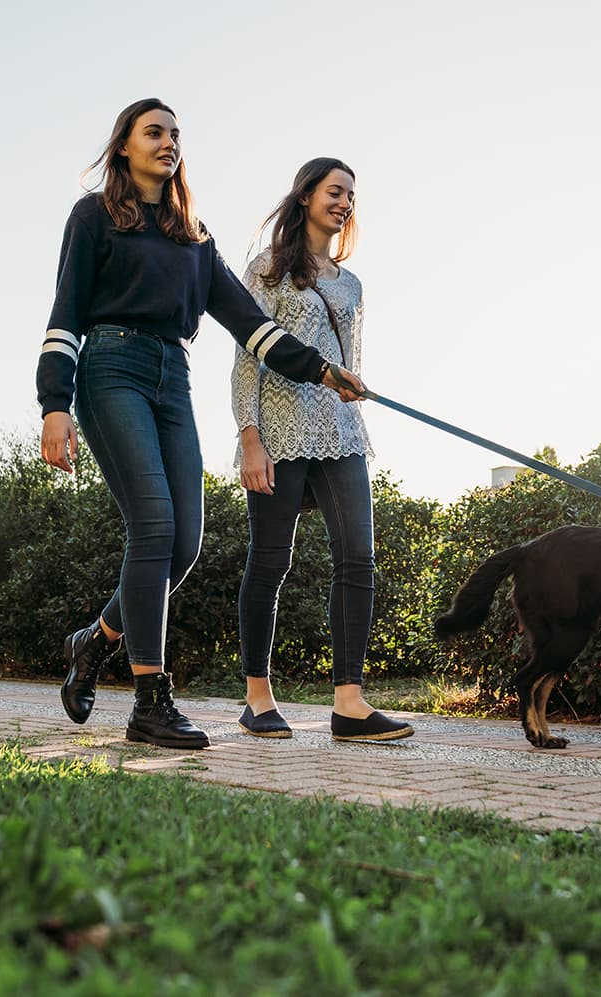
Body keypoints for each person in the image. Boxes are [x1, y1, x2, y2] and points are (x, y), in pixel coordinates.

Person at [37, 99, 363, 750]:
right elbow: (66, 310)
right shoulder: (95, 216)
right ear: (124, 145)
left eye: (175, 134)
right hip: (111, 367)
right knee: (153, 525)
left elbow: (252, 326)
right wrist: (54, 403)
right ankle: (151, 702)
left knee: (181, 545)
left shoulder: (194, 236)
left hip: (171, 377)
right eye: (153, 132)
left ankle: (93, 641)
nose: (168, 142)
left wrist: (325, 372)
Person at [231, 158, 413, 742]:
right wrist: (249, 437)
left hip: (340, 434)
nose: (345, 203)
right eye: (335, 191)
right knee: (270, 561)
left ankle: (349, 704)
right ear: (306, 195)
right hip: (280, 430)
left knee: (357, 558)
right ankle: (257, 697)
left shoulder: (351, 283)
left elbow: (348, 363)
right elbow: (245, 357)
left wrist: (356, 383)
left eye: (351, 197)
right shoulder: (267, 270)